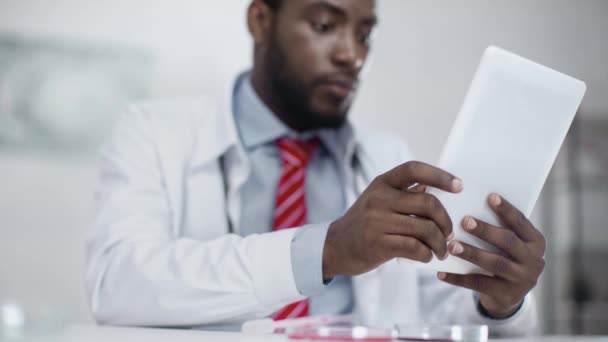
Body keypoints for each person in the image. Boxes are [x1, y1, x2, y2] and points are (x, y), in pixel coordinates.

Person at [86, 0, 545, 336]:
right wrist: (323, 250)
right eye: (326, 25)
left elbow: (431, 314)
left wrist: (499, 303)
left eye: (364, 34)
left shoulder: (386, 158)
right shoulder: (153, 132)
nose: (353, 55)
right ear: (260, 20)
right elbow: (117, 283)